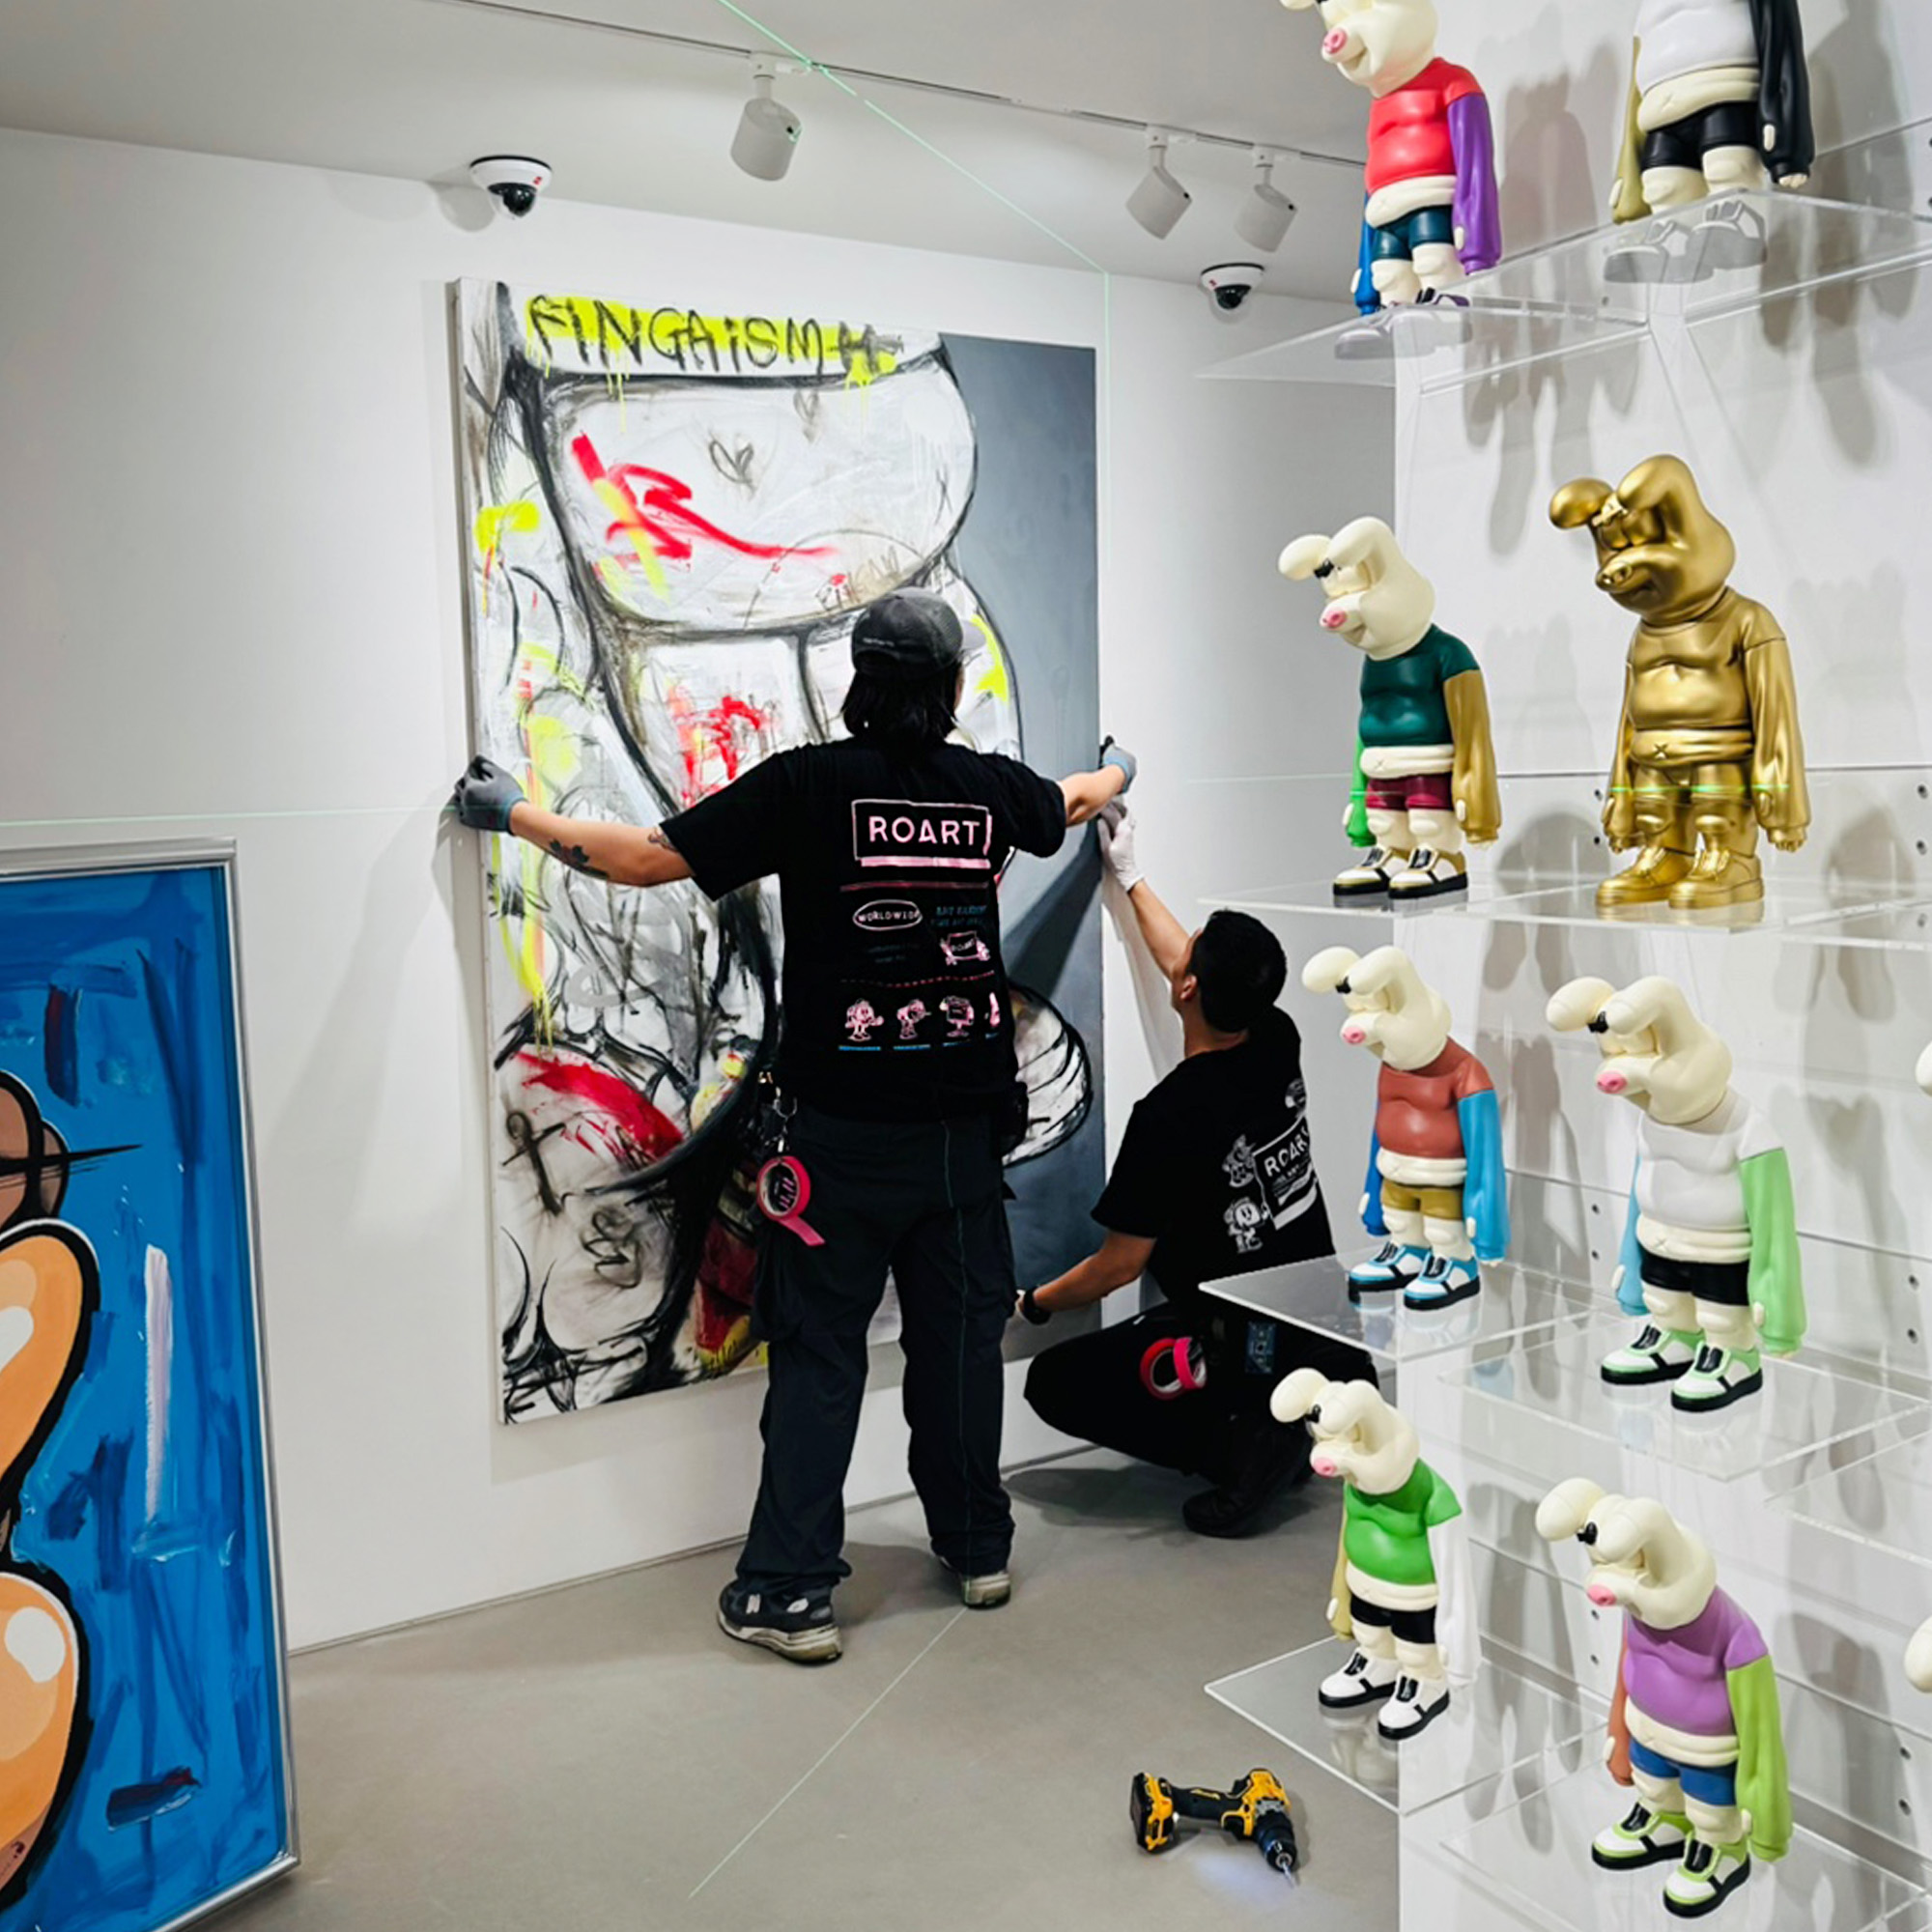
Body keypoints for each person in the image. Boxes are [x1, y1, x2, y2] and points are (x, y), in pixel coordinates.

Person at [450, 589, 1133, 1665]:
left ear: (860, 679)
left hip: (838, 1147)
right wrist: (1121, 772)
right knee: (960, 1353)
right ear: (952, 685)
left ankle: (789, 1593)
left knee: (818, 1364)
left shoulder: (810, 784)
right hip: (964, 1140)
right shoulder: (986, 789)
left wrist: (515, 817)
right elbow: (1074, 797)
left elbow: (642, 858)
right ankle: (977, 1548)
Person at [1019, 804, 1374, 1538]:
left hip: (1241, 1340)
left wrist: (1035, 1303)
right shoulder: (1274, 1033)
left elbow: (1118, 1266)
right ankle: (1323, 1403)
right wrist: (1130, 878)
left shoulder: (1170, 1115)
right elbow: (1185, 963)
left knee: (1052, 1382)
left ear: (1191, 989)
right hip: (1321, 1314)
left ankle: (1245, 1445)